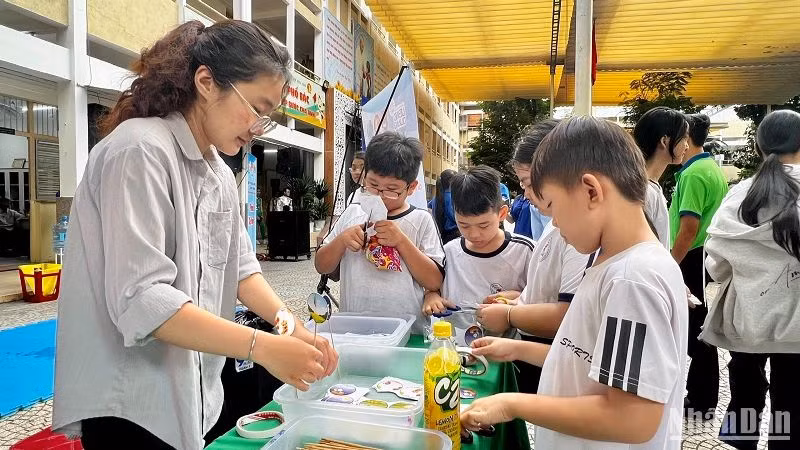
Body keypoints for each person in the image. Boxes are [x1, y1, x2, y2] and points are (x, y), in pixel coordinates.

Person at [52, 21, 338, 450]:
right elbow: (143, 298)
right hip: (129, 401)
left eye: (269, 117)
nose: (260, 127)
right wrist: (260, 346)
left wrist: (290, 327)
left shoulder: (218, 171)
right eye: (257, 109)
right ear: (206, 82)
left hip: (190, 388)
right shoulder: (139, 151)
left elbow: (241, 271)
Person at [461, 117, 688, 449]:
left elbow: (632, 417)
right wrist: (518, 348)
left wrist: (510, 404)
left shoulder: (632, 279)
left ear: (591, 191)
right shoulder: (611, 263)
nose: (553, 221)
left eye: (552, 205)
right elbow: (586, 357)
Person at [701, 109, 800, 449]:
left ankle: (741, 442)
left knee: (745, 393)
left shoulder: (741, 193)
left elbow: (717, 261)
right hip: (796, 325)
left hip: (746, 318)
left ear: (757, 147)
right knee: (790, 400)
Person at [478, 120, 592, 395]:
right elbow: (550, 290)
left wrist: (509, 314)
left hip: (556, 350)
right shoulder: (556, 224)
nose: (527, 195)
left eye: (529, 184)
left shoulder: (578, 233)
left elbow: (568, 313)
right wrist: (518, 299)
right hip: (542, 351)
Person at [315, 132, 445, 333]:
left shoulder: (420, 220)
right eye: (373, 185)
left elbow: (435, 281)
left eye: (392, 190)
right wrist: (341, 241)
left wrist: (402, 242)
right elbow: (322, 265)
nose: (380, 196)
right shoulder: (352, 213)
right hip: (354, 328)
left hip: (408, 330)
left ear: (411, 188)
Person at [422, 166, 534, 339]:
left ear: (502, 213)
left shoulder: (525, 250)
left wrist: (517, 298)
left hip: (506, 356)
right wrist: (431, 297)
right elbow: (432, 287)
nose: (473, 234)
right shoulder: (449, 251)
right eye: (464, 225)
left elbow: (542, 302)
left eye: (483, 225)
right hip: (456, 350)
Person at [670, 113, 728, 420]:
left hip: (692, 259)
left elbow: (688, 229)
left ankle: (702, 399)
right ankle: (701, 396)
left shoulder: (693, 175)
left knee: (697, 334)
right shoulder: (710, 168)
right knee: (702, 332)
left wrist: (669, 265)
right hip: (706, 257)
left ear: (687, 137)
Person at [632, 106, 690, 249]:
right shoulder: (644, 191)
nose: (687, 146)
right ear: (664, 141)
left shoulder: (648, 187)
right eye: (684, 138)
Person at [428, 169, 460, 244]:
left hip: (440, 232)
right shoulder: (452, 197)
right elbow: (453, 216)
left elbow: (429, 207)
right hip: (454, 234)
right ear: (452, 182)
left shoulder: (436, 197)